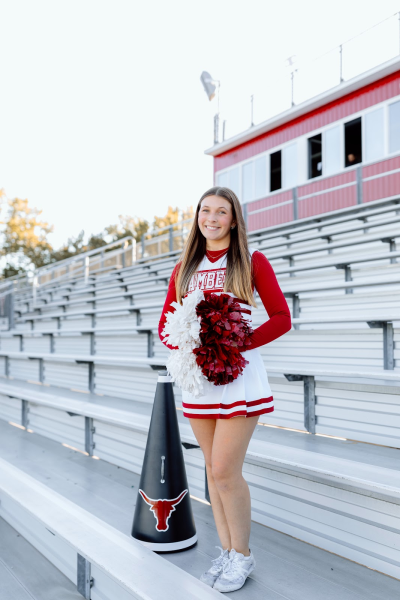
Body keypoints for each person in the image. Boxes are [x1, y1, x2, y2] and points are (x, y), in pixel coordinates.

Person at [158, 186, 292, 593]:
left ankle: (244, 556)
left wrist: (233, 341)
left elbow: (282, 318)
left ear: (234, 220)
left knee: (224, 470)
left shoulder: (251, 261)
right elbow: (166, 327)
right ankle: (227, 552)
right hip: (200, 380)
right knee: (211, 474)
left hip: (238, 375)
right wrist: (191, 342)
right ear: (197, 217)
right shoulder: (184, 267)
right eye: (205, 211)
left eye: (221, 212)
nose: (211, 218)